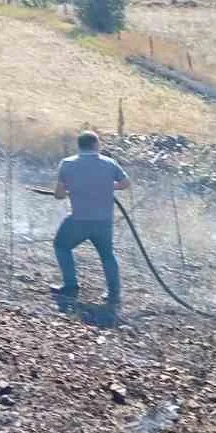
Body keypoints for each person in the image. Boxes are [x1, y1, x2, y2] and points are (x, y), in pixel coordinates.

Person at [52, 130, 130, 305]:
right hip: (104, 221)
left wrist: (69, 190)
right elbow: (125, 184)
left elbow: (59, 194)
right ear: (96, 145)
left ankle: (71, 286)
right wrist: (108, 186)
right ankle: (114, 294)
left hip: (79, 219)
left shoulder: (67, 164)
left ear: (79, 146)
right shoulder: (110, 163)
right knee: (107, 255)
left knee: (61, 245)